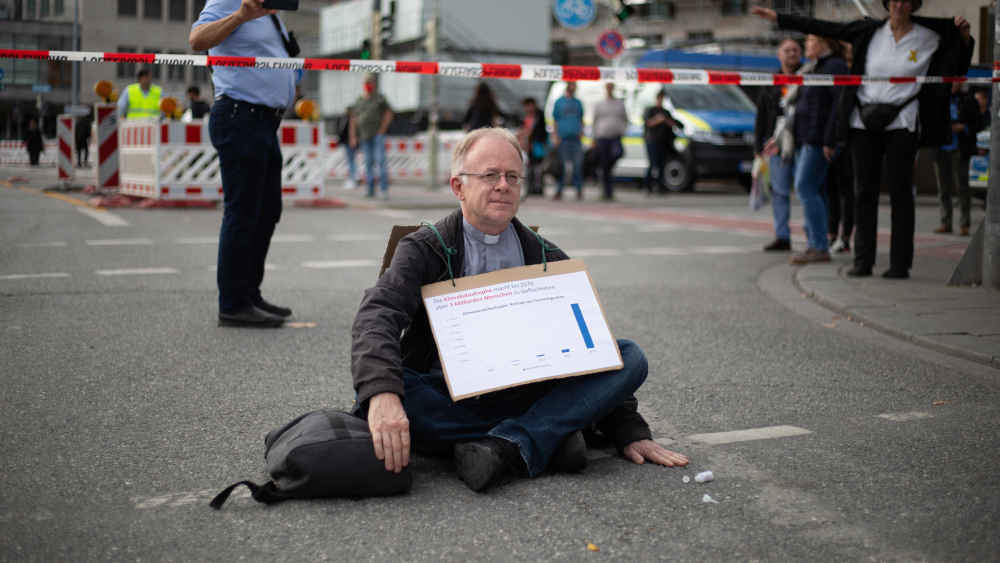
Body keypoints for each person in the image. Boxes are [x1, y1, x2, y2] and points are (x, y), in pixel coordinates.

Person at [351, 127, 689, 492]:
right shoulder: (424, 248)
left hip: (526, 390)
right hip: (446, 395)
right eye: (490, 175)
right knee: (392, 391)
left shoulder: (546, 256)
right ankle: (544, 434)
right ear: (458, 187)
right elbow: (378, 313)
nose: (503, 185)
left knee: (629, 355)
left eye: (512, 176)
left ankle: (509, 445)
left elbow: (591, 352)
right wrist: (383, 395)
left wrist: (629, 430)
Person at [753, 1, 974, 279]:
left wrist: (964, 39)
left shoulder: (930, 34)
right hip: (863, 119)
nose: (899, 5)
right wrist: (778, 17)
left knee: (901, 193)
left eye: (906, 0)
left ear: (914, 5)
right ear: (886, 4)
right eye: (894, 0)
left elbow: (958, 67)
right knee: (864, 192)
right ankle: (862, 262)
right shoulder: (870, 30)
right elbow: (823, 27)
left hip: (902, 120)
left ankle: (899, 264)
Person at [191, 0, 298, 327]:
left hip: (263, 121)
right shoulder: (231, 2)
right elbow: (197, 41)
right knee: (243, 211)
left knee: (266, 211)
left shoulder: (271, 14)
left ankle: (249, 293)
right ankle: (233, 303)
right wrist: (240, 15)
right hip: (241, 116)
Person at [765, 35, 847, 265]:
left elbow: (837, 107)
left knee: (805, 186)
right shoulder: (813, 68)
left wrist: (830, 140)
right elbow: (798, 109)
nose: (806, 46)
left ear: (825, 43)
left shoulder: (834, 66)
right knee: (815, 190)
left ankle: (819, 246)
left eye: (810, 41)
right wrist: (779, 138)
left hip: (818, 140)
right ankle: (816, 242)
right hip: (804, 138)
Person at [754, 38, 803, 251]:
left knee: (807, 190)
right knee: (780, 191)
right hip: (776, 144)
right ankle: (782, 236)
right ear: (779, 55)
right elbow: (761, 116)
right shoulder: (770, 82)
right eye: (787, 50)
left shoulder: (809, 78)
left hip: (803, 141)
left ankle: (815, 237)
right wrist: (758, 148)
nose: (791, 54)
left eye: (795, 50)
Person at [933, 83, 982, 237]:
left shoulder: (968, 100)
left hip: (960, 149)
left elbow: (977, 123)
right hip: (941, 148)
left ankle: (964, 224)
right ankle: (945, 222)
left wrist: (964, 127)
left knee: (962, 187)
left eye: (956, 82)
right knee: (943, 188)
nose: (953, 85)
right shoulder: (939, 98)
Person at [350, 74, 394, 200]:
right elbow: (353, 118)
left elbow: (389, 113)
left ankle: (384, 189)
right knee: (368, 162)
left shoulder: (379, 98)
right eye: (366, 83)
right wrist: (353, 136)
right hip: (364, 135)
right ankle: (370, 189)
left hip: (377, 135)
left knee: (380, 161)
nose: (368, 85)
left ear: (374, 84)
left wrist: (382, 129)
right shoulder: (359, 100)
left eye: (370, 82)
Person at [592, 83, 628, 201]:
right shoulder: (599, 104)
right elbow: (595, 121)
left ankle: (608, 187)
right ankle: (606, 191)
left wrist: (622, 130)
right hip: (602, 137)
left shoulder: (619, 104)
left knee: (617, 155)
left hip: (615, 137)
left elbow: (625, 118)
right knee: (604, 165)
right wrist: (594, 138)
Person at [552, 81, 584, 200]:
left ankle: (579, 190)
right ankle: (559, 190)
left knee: (578, 165)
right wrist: (555, 136)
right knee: (561, 166)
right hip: (563, 138)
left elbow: (581, 119)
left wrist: (581, 132)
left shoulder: (578, 103)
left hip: (575, 138)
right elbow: (555, 120)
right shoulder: (559, 102)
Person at [642, 89, 679, 195]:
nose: (661, 100)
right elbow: (647, 123)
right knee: (653, 164)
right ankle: (648, 186)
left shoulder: (666, 112)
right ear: (657, 98)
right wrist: (658, 120)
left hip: (663, 142)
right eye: (660, 98)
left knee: (662, 165)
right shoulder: (650, 110)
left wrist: (666, 120)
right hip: (652, 141)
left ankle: (660, 187)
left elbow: (676, 124)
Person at [517, 97, 547, 197]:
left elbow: (541, 131)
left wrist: (537, 142)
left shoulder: (539, 116)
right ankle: (531, 187)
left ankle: (538, 187)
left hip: (537, 144)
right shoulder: (524, 117)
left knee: (538, 166)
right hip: (527, 145)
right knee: (529, 166)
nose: (526, 108)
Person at [340, 107, 360, 190]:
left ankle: (353, 179)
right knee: (351, 161)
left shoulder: (352, 119)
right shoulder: (347, 119)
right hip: (348, 142)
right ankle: (353, 178)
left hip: (350, 142)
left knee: (351, 161)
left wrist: (353, 139)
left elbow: (352, 131)